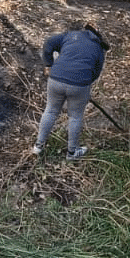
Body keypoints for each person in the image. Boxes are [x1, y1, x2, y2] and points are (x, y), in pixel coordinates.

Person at [32, 23, 110, 159]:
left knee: (50, 110)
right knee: (75, 116)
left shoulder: (71, 35)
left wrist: (48, 64)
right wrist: (83, 85)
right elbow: (96, 73)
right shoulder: (98, 48)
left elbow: (48, 43)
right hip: (79, 85)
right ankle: (72, 153)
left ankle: (38, 147)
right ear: (98, 37)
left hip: (55, 79)